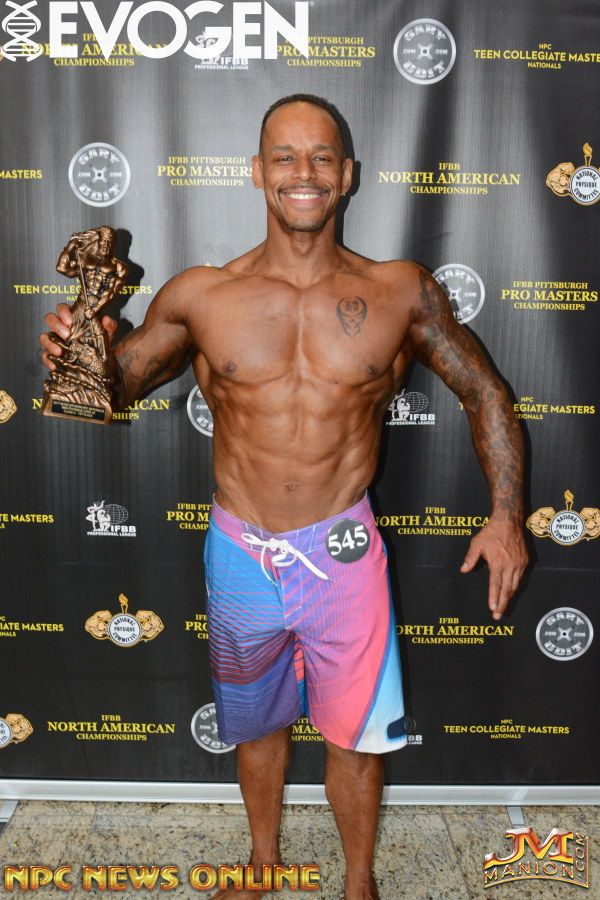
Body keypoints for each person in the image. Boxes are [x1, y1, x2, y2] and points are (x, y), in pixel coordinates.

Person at [40, 94, 528, 900]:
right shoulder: (202, 295)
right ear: (257, 172)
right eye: (286, 157)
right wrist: (78, 357)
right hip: (241, 551)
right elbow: (115, 390)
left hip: (342, 551)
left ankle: (359, 884)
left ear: (348, 175)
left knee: (356, 739)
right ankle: (264, 866)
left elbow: (484, 391)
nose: (305, 173)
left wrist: (506, 515)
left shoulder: (400, 291)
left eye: (322, 157)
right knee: (258, 724)